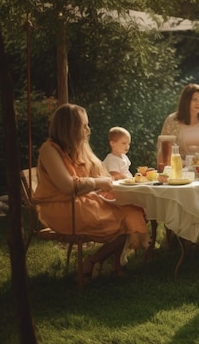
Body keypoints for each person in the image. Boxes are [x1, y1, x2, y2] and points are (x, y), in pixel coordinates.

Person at [33, 104, 149, 281]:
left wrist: (109, 183)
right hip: (63, 208)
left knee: (133, 212)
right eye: (84, 125)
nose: (88, 129)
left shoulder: (76, 147)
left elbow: (98, 174)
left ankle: (113, 265)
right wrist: (100, 183)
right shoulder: (49, 150)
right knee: (122, 221)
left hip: (81, 202)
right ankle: (92, 262)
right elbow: (68, 186)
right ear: (70, 128)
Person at [159, 83, 199, 160]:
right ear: (186, 101)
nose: (198, 103)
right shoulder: (172, 121)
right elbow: (162, 148)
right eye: (194, 99)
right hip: (179, 168)